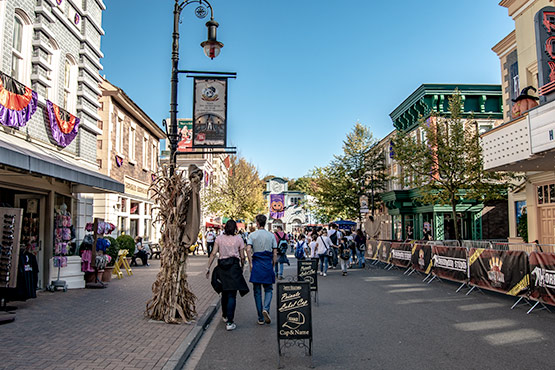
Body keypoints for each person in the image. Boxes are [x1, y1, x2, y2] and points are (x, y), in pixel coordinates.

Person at [206, 219, 249, 331]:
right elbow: (242, 256)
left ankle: (225, 315)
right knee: (232, 295)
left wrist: (208, 267)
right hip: (234, 268)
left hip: (222, 267)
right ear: (235, 228)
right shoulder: (239, 239)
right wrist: (242, 265)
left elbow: (213, 253)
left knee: (224, 292)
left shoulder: (219, 239)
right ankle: (230, 322)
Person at [247, 214, 277, 325]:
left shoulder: (252, 235)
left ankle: (260, 317)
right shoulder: (271, 235)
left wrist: (250, 263)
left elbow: (248, 249)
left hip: (257, 263)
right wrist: (273, 264)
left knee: (257, 291)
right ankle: (266, 308)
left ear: (257, 223)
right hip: (267, 263)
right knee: (269, 289)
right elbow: (275, 252)